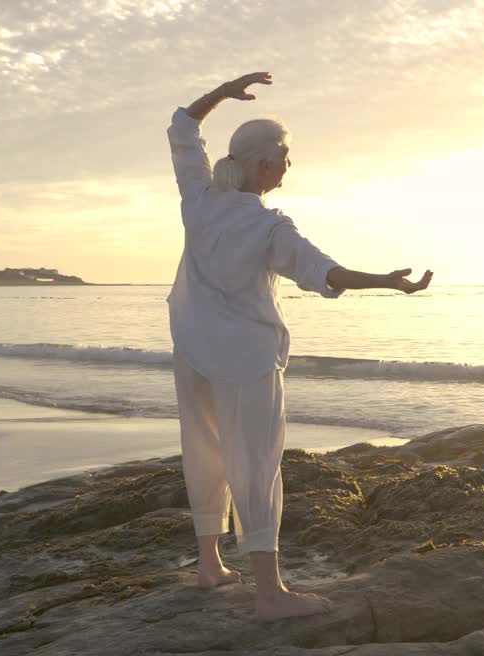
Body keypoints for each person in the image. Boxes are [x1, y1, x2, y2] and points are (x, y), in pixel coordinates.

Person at [166, 71, 433, 621]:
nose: (289, 166)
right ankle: (269, 595)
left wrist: (222, 92)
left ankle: (209, 565)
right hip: (245, 358)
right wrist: (388, 281)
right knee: (257, 464)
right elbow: (326, 273)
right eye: (285, 158)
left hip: (192, 346)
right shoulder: (269, 227)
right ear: (264, 165)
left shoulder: (199, 200)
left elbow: (182, 124)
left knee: (204, 449)